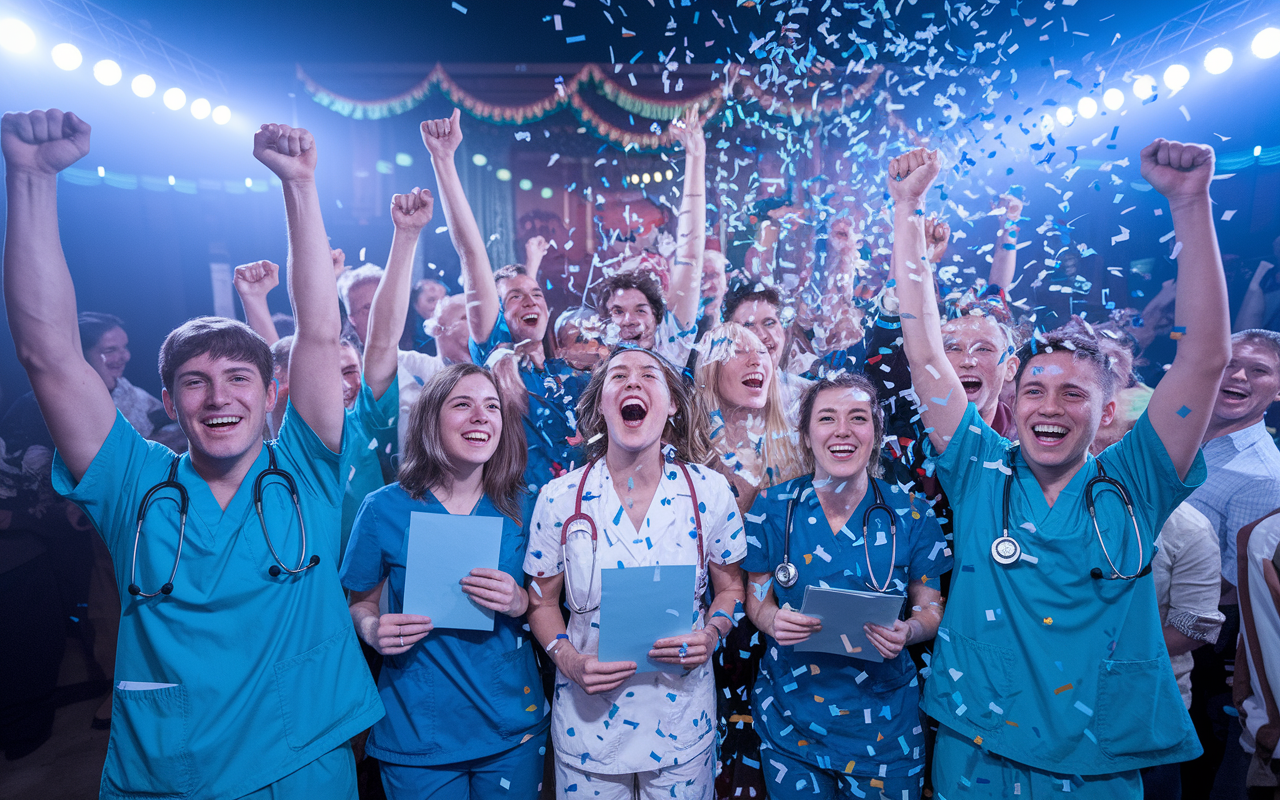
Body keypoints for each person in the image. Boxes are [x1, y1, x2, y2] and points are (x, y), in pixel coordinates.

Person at [2, 109, 382, 796]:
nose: (218, 397)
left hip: (303, 762)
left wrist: (300, 185)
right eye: (194, 382)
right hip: (173, 772)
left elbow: (321, 334)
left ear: (274, 395)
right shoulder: (132, 481)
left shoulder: (306, 472)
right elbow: (49, 355)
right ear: (169, 404)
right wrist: (29, 179)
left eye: (239, 378)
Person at [890, 140, 1231, 798]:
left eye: (1074, 393)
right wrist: (907, 210)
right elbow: (926, 352)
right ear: (1013, 399)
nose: (1050, 407)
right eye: (1037, 390)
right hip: (975, 748)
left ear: (1108, 412)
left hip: (1094, 761)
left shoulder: (1137, 481)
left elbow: (1204, 363)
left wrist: (1190, 204)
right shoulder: (979, 469)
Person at [524, 346, 745, 799]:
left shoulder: (710, 491)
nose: (632, 382)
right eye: (618, 376)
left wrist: (713, 633)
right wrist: (568, 659)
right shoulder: (559, 498)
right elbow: (542, 602)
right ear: (600, 403)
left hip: (682, 726)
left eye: (649, 375)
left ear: (673, 405)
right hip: (588, 730)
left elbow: (731, 588)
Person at [340, 364, 548, 798]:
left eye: (492, 406)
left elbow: (547, 603)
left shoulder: (527, 509)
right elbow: (359, 603)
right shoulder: (383, 509)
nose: (481, 416)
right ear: (431, 418)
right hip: (418, 728)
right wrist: (372, 629)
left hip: (511, 727)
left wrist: (519, 603)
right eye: (462, 404)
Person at [742, 373, 951, 799]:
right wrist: (770, 620)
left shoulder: (910, 512)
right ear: (805, 434)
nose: (842, 430)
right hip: (790, 722)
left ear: (875, 433)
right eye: (826, 418)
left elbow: (931, 607)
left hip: (884, 729)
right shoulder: (772, 508)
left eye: (858, 417)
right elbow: (756, 597)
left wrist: (909, 630)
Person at [421, 108, 589, 490]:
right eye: (514, 297)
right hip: (516, 520)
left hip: (581, 524)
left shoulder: (569, 376)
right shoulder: (494, 359)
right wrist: (443, 160)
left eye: (536, 294)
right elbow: (471, 252)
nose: (531, 302)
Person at [1182, 328, 1280, 796]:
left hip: (1198, 649)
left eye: (1258, 370)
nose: (1237, 375)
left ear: (1278, 389)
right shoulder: (1181, 432)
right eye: (1229, 364)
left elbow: (1238, 588)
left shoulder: (1263, 476)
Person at [594, 109, 708, 368]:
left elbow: (690, 255)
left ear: (658, 318)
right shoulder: (598, 370)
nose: (629, 320)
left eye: (641, 310)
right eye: (618, 311)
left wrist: (695, 157)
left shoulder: (670, 346)